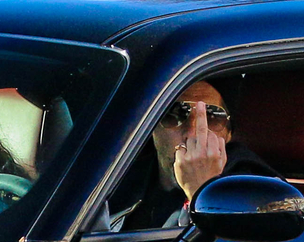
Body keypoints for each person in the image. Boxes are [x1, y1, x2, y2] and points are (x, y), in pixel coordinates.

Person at [117, 80, 277, 230]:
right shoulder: (118, 177)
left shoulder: (252, 186)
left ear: (228, 134)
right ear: (152, 127)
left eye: (213, 116)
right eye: (175, 114)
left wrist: (202, 191)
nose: (192, 133)